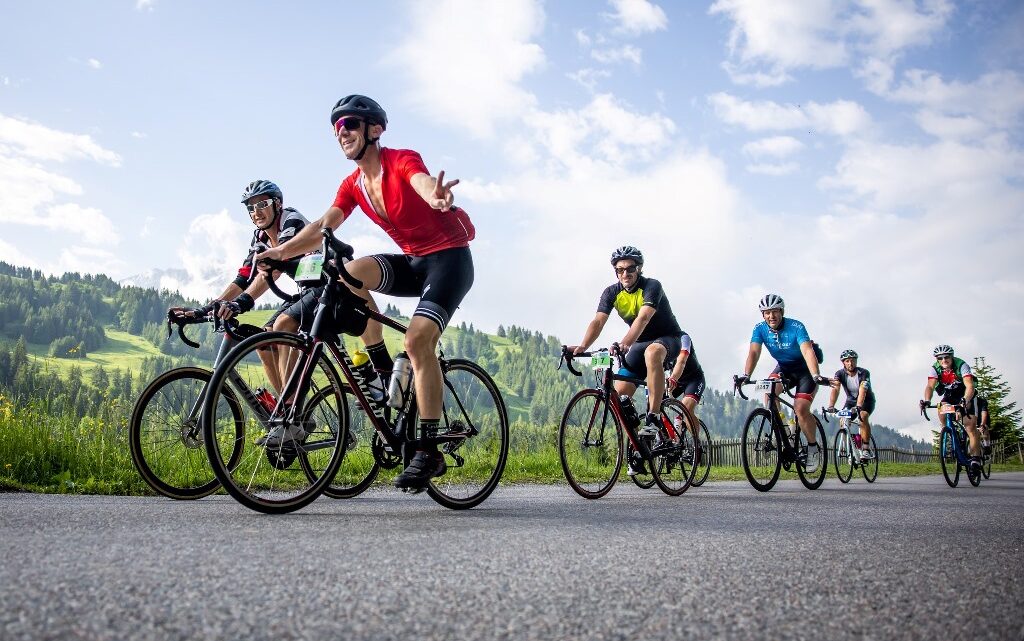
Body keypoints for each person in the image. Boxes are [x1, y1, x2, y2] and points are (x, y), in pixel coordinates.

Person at [256, 94, 474, 490]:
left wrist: (436, 196)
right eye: (338, 129)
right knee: (344, 274)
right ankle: (380, 370)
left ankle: (427, 450)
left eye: (351, 125)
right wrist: (281, 252)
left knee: (416, 340)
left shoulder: (400, 159)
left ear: (374, 130)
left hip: (449, 261)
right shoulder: (354, 184)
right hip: (412, 260)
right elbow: (324, 222)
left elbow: (421, 181)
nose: (343, 133)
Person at [170, 180, 326, 445]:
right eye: (251, 208)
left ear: (277, 204)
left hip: (328, 289)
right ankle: (288, 414)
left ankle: (290, 411)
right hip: (306, 293)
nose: (256, 212)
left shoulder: (292, 222)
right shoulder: (260, 237)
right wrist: (206, 309)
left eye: (262, 204)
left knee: (283, 324)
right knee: (264, 341)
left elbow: (274, 268)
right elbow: (244, 277)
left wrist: (240, 304)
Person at [567, 246, 684, 476]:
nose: (625, 273)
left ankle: (654, 415)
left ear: (639, 269)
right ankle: (640, 449)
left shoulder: (652, 286)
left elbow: (643, 318)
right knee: (620, 398)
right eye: (619, 270)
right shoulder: (612, 292)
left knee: (652, 353)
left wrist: (625, 343)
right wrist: (582, 347)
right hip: (639, 343)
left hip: (667, 338)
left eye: (630, 268)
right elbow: (598, 322)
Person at [736, 294, 826, 473]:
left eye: (775, 311)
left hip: (805, 371)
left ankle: (813, 448)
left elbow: (808, 351)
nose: (771, 316)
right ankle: (785, 430)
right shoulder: (760, 329)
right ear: (763, 315)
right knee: (768, 391)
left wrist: (816, 375)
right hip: (784, 368)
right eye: (767, 312)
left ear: (782, 312)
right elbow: (754, 352)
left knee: (800, 409)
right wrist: (746, 375)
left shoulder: (796, 327)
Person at [922, 345, 981, 468]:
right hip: (950, 395)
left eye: (946, 357)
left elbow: (970, 386)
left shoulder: (961, 365)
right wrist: (927, 400)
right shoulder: (935, 368)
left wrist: (965, 400)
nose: (943, 360)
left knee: (970, 426)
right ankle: (947, 432)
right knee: (941, 409)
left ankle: (975, 459)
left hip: (966, 394)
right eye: (940, 358)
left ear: (952, 357)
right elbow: (930, 386)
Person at [827, 349, 876, 461]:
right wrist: (831, 405)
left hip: (866, 400)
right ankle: (851, 449)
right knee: (843, 420)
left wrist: (859, 406)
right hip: (850, 401)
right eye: (847, 361)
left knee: (862, 416)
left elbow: (863, 390)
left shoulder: (864, 373)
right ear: (843, 363)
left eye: (853, 360)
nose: (850, 363)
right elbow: (836, 389)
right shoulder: (839, 374)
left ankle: (865, 448)